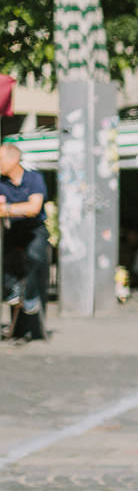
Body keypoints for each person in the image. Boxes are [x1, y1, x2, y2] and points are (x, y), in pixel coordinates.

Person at [0, 142, 50, 342]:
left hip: (35, 229)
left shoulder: (33, 178)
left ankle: (29, 296)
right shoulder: (1, 181)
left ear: (14, 160)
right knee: (7, 261)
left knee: (34, 257)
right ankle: (11, 291)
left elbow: (34, 208)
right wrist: (18, 208)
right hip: (14, 230)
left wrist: (7, 208)